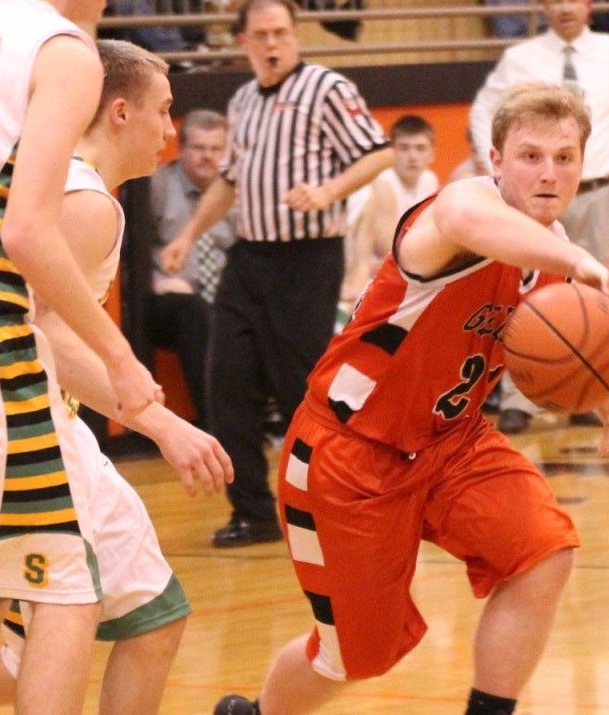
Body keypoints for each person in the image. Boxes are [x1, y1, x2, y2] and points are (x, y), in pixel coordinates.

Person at [213, 81, 609, 715]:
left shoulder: (551, 247)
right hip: (349, 455)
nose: (549, 173)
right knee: (358, 657)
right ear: (495, 160)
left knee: (545, 551)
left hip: (452, 442)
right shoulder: (460, 209)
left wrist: (602, 377)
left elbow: (573, 331)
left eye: (565, 158)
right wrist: (580, 262)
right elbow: (467, 219)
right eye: (531, 155)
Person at [0, 37, 233, 715]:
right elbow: (42, 332)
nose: (170, 130)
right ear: (118, 112)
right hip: (20, 422)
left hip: (42, 421)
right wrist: (161, 420)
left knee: (151, 612)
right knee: (16, 611)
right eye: (163, 110)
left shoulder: (76, 189)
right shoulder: (85, 204)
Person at [160, 0, 393, 548]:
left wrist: (329, 191)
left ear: (296, 35)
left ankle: (333, 506)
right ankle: (253, 512)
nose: (273, 43)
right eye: (262, 34)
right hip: (249, 259)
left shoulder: (327, 89)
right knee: (227, 383)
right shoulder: (241, 100)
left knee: (301, 392)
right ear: (242, 40)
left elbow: (377, 154)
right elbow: (231, 181)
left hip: (307, 261)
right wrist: (188, 235)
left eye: (283, 33)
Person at [469, 0, 609, 433]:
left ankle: (590, 385)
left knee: (596, 299)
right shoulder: (519, 59)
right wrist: (501, 176)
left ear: (589, 4)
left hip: (599, 191)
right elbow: (484, 111)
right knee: (526, 301)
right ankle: (519, 398)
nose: (564, 7)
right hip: (530, 199)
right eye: (554, 0)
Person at [149, 108, 236, 423]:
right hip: (171, 291)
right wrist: (155, 279)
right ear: (181, 149)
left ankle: (272, 416)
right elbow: (132, 245)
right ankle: (215, 421)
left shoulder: (235, 191)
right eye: (199, 148)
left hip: (227, 293)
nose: (207, 157)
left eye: (216, 150)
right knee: (193, 311)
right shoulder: (157, 185)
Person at [342, 114, 440, 301]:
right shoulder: (383, 182)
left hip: (405, 267)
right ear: (391, 151)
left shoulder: (429, 179)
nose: (412, 157)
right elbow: (388, 249)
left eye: (420, 149)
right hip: (363, 273)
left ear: (432, 153)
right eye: (404, 148)